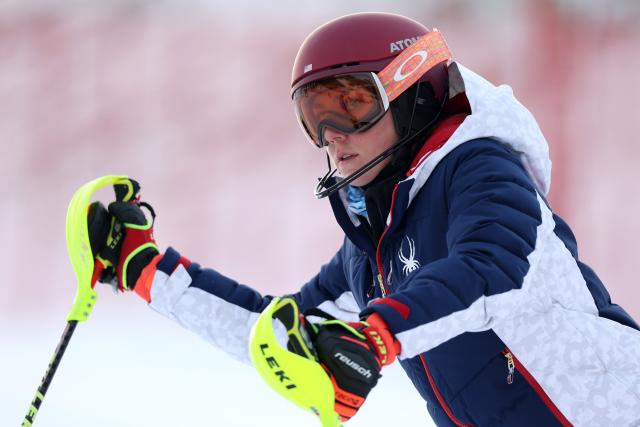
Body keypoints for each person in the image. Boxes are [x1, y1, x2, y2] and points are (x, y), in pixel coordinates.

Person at [87, 12, 640, 427]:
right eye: (313, 114)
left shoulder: (481, 170)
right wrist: (144, 269)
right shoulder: (371, 249)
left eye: (351, 104)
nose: (331, 134)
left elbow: (489, 270)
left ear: (412, 97)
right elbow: (282, 333)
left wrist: (376, 336)